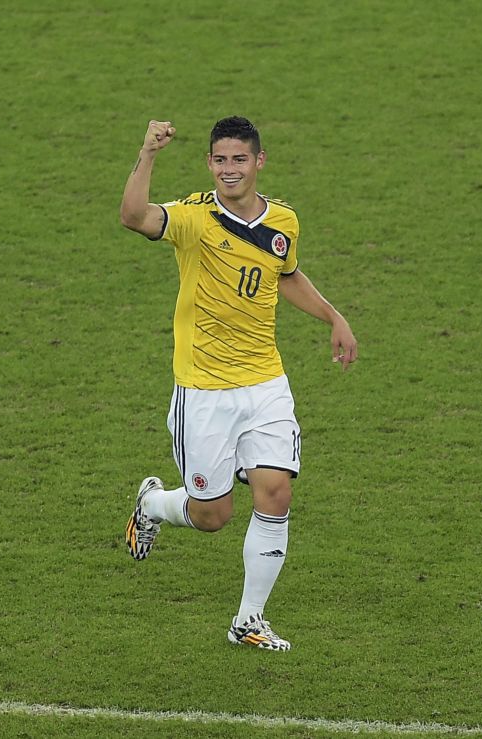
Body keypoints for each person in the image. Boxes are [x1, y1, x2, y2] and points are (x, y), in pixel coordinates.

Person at [119, 116, 358, 651]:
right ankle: (153, 504)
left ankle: (248, 620)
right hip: (203, 392)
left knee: (276, 492)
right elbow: (133, 216)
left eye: (239, 160)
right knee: (212, 517)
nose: (230, 169)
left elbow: (286, 273)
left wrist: (333, 317)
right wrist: (148, 152)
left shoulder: (284, 222)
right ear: (210, 163)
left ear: (258, 162)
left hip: (265, 383)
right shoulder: (194, 219)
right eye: (221, 160)